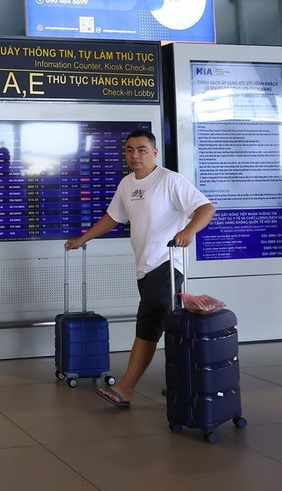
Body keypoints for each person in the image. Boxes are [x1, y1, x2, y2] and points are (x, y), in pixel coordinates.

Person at [64, 130, 215, 409]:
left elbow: (206, 207)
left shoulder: (170, 180)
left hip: (167, 264)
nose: (135, 155)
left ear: (154, 153)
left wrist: (189, 231)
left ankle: (126, 389)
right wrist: (82, 239)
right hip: (145, 268)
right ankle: (181, 382)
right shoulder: (126, 184)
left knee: (146, 328)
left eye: (142, 150)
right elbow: (113, 217)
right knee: (170, 326)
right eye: (130, 150)